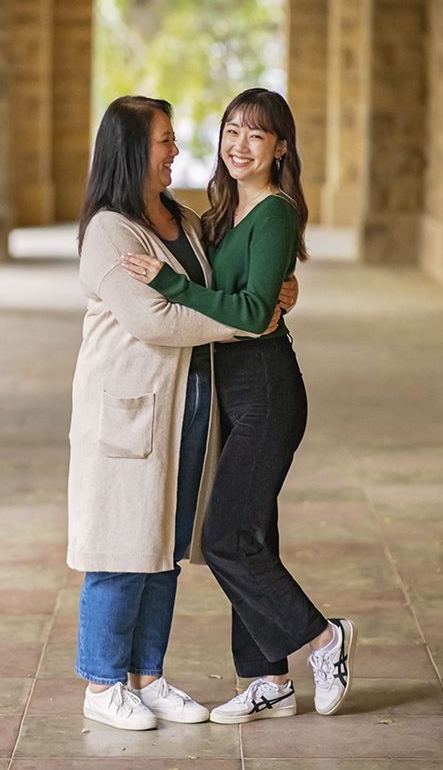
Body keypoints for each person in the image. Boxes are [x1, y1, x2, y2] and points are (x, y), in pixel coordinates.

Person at [121, 88, 357, 724]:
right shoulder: (223, 211)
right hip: (233, 392)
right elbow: (244, 290)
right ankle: (266, 680)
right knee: (252, 533)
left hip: (267, 392)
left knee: (224, 538)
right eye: (231, 131)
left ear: (281, 147)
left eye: (257, 134)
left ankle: (324, 639)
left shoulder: (276, 213)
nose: (240, 145)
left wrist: (169, 284)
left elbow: (254, 315)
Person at [67, 94, 295, 731]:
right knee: (118, 545)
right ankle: (103, 682)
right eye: (165, 140)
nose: (176, 150)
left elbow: (225, 288)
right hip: (128, 408)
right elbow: (155, 319)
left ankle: (148, 676)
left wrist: (271, 292)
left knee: (163, 544)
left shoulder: (184, 221)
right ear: (133, 150)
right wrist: (248, 323)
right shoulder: (110, 230)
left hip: (189, 406)